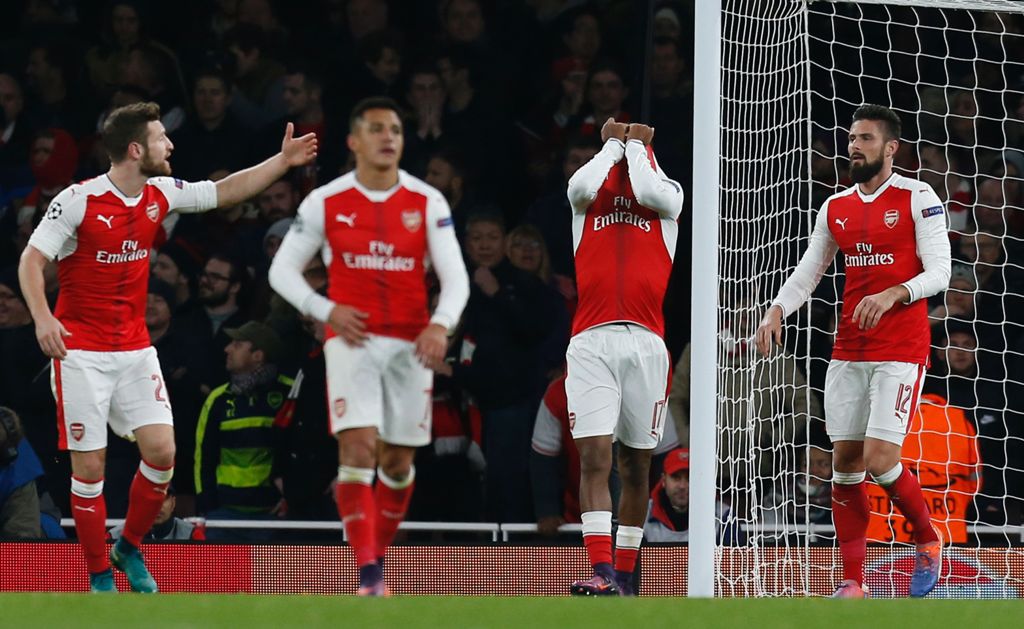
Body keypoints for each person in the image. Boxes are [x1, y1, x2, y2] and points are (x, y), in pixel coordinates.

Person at [17, 101, 316, 593]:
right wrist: (43, 318)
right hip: (80, 353)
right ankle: (98, 576)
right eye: (161, 138)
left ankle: (128, 547)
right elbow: (31, 261)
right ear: (136, 149)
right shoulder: (78, 200)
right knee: (89, 469)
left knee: (162, 455)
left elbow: (223, 191)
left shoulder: (161, 193)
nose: (170, 145)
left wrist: (281, 162)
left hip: (135, 349)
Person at [268, 97, 469, 595]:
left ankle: (375, 553)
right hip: (351, 342)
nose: (388, 138)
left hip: (410, 345)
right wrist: (326, 309)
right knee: (357, 449)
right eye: (377, 129)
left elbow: (457, 278)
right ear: (355, 141)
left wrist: (440, 325)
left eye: (396, 130)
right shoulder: (325, 201)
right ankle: (369, 572)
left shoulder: (427, 201)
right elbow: (281, 270)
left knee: (398, 463)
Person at [755, 105, 952, 598]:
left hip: (901, 349)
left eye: (865, 138)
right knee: (844, 464)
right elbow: (810, 269)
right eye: (851, 138)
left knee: (882, 459)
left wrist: (893, 293)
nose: (854, 146)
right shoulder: (835, 207)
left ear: (890, 148)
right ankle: (853, 583)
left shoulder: (917, 196)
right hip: (848, 351)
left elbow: (941, 272)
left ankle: (928, 540)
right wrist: (777, 309)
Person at [564, 118, 683, 596]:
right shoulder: (586, 201)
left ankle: (628, 575)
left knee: (636, 465)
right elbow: (578, 185)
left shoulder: (666, 195)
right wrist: (616, 143)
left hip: (647, 344)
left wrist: (636, 148)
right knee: (595, 456)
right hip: (591, 341)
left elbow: (656, 195)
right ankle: (601, 568)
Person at [194, 321, 292, 540]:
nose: (227, 349)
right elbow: (203, 457)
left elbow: (299, 451)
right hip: (224, 513)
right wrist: (207, 504)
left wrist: (292, 498)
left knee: (269, 576)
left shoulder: (289, 393)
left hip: (274, 513)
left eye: (237, 345)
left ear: (258, 355)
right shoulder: (218, 399)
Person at [644, 448, 743, 544]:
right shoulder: (643, 513)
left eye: (690, 478)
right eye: (676, 477)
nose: (682, 486)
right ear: (664, 480)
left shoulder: (724, 516)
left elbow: (734, 560)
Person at [108, 484, 204, 541]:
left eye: (163, 498)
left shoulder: (192, 536)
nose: (157, 506)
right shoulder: (114, 537)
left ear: (173, 503)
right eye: (150, 499)